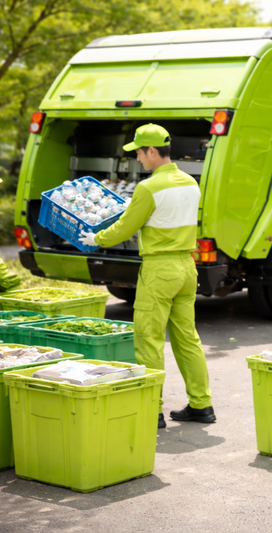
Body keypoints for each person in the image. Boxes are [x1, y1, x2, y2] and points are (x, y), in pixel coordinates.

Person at [79, 123, 215, 430]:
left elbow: (124, 229)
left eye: (139, 152)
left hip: (159, 270)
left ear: (152, 151)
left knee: (149, 340)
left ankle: (152, 410)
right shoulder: (191, 183)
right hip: (186, 267)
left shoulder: (148, 188)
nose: (138, 158)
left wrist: (96, 238)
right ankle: (201, 404)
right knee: (187, 338)